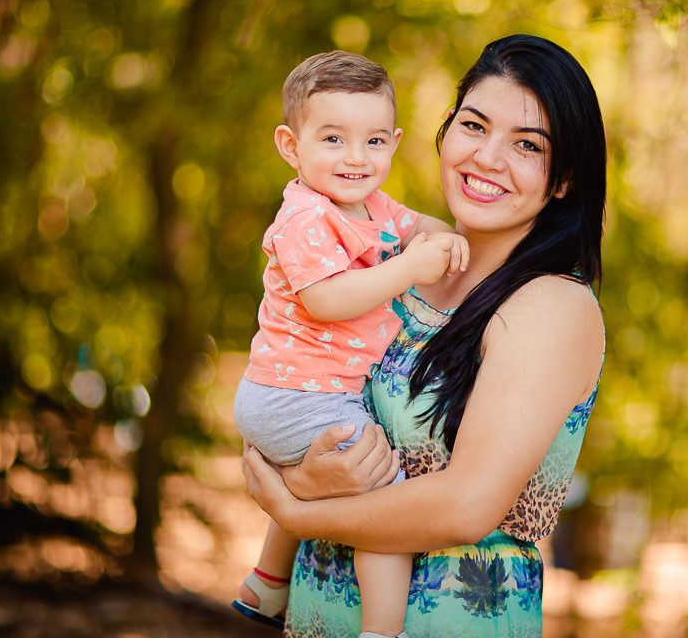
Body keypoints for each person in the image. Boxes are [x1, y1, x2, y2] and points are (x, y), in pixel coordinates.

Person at [241, 34, 607, 637]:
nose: (488, 157)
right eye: (473, 125)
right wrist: (304, 481)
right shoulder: (399, 267)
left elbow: (466, 507)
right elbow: (295, 391)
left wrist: (297, 511)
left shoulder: (551, 306)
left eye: (527, 145)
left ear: (565, 177)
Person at [232, 51, 469, 638]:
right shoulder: (305, 217)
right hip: (293, 396)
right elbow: (329, 299)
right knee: (381, 495)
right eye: (333, 138)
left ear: (394, 142)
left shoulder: (372, 207)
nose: (356, 158)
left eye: (373, 141)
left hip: (306, 392)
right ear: (291, 146)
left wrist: (451, 242)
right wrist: (412, 268)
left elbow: (421, 229)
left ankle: (266, 584)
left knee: (321, 473)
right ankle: (380, 631)